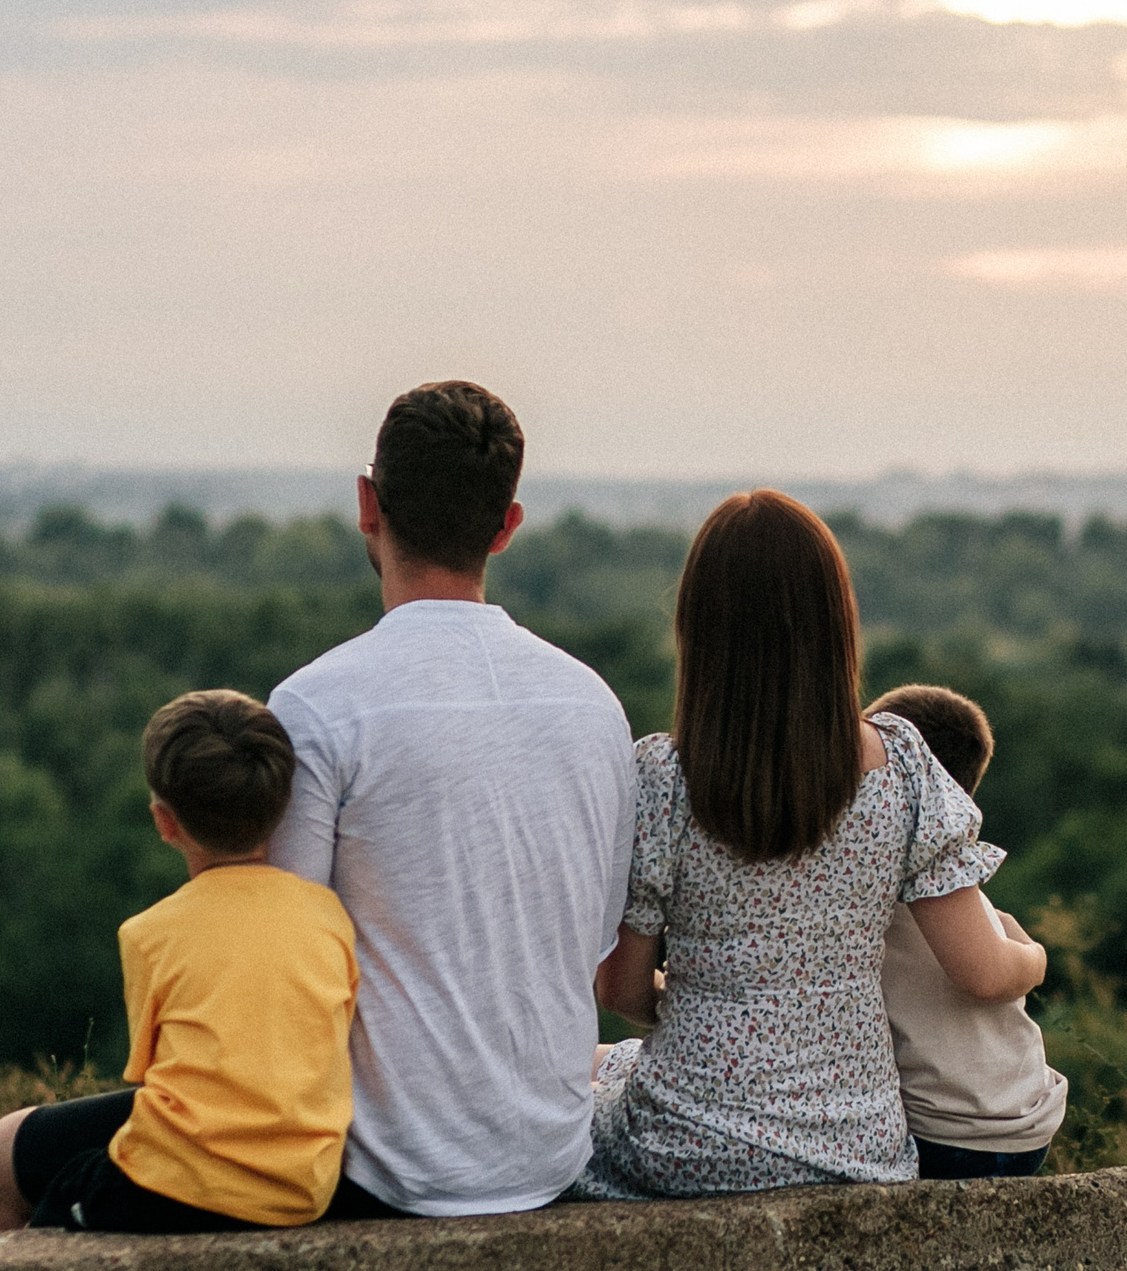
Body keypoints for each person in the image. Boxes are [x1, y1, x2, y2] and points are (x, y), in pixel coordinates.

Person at [575, 490, 1048, 1198]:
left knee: (577, 1089)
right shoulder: (905, 765)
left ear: (698, 629)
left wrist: (714, 998)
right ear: (836, 624)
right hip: (857, 1147)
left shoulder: (662, 778)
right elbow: (983, 972)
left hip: (685, 1144)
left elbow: (623, 989)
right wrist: (1036, 956)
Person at [265, 381, 637, 1217]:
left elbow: (279, 949)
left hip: (379, 1164)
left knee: (2, 1158)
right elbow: (599, 937)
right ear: (507, 526)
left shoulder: (316, 706)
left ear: (368, 503)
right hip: (548, 1153)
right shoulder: (594, 706)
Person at [0, 689, 359, 1234]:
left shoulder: (149, 933)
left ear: (165, 822)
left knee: (51, 1209)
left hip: (176, 1187)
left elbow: (150, 1078)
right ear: (284, 805)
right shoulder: (329, 917)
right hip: (303, 1190)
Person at [867, 684, 1067, 1179]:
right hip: (1026, 1124)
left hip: (942, 1135)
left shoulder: (876, 874)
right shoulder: (961, 885)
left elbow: (984, 976)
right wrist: (1030, 950)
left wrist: (1035, 958)